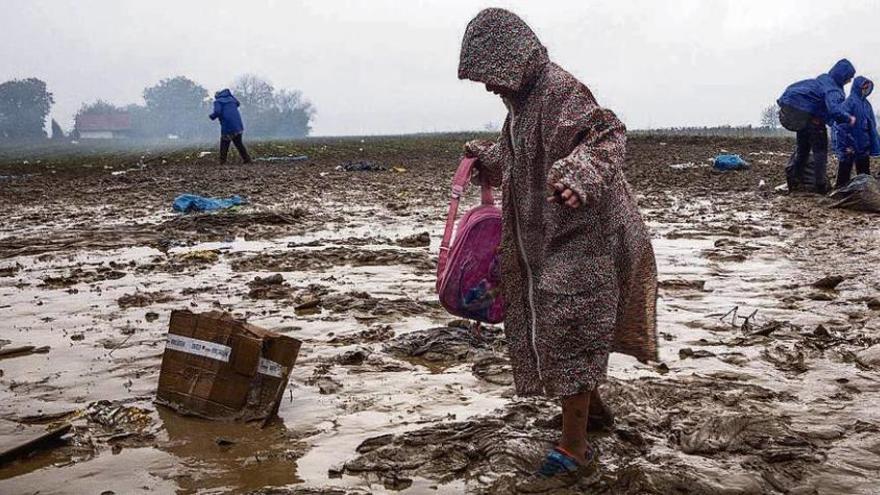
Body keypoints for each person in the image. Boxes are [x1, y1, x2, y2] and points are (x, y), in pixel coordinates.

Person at [458, 8, 657, 484]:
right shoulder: (522, 106)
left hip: (590, 234)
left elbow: (605, 133)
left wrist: (581, 174)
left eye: (490, 75)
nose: (488, 86)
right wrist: (488, 158)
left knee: (570, 325)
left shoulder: (557, 89)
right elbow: (526, 160)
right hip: (557, 237)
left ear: (512, 57)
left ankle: (574, 449)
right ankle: (592, 412)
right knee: (562, 328)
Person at [777, 59, 856, 193]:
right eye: (849, 78)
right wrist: (849, 118)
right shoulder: (833, 90)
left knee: (802, 151)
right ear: (843, 76)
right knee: (820, 153)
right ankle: (820, 187)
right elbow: (834, 110)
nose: (849, 82)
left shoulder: (823, 80)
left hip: (803, 119)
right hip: (814, 121)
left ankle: (794, 183)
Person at [832, 76, 880, 188]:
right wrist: (846, 145)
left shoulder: (866, 104)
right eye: (863, 87)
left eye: (867, 87)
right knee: (844, 173)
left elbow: (871, 125)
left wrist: (872, 143)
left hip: (863, 145)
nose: (865, 90)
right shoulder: (849, 103)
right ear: (857, 87)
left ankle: (865, 194)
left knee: (864, 175)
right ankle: (840, 193)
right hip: (850, 146)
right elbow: (841, 126)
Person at [209, 88, 252, 164]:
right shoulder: (232, 99)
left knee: (224, 143)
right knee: (238, 143)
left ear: (217, 96)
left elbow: (217, 111)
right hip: (238, 125)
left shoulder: (218, 102)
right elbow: (238, 103)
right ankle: (247, 159)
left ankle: (222, 162)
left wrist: (212, 116)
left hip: (227, 125)